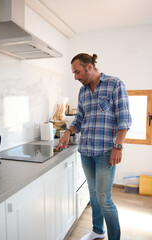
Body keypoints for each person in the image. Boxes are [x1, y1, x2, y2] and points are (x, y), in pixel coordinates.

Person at [56, 53, 132, 240]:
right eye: (73, 73)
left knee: (104, 199)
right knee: (93, 194)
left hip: (106, 152)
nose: (75, 77)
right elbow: (79, 119)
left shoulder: (115, 84)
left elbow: (124, 120)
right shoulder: (82, 91)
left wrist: (118, 147)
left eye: (77, 72)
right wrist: (68, 132)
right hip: (86, 152)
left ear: (89, 67)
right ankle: (98, 230)